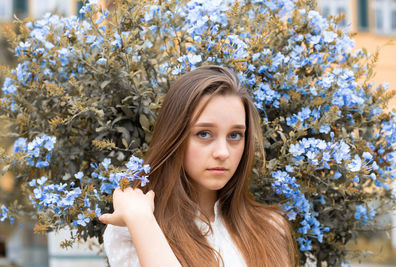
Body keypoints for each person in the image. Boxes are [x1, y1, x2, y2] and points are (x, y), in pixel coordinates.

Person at [99, 65, 298, 267]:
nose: (223, 152)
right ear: (175, 137)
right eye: (204, 133)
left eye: (235, 135)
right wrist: (141, 220)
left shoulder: (271, 228)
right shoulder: (132, 229)